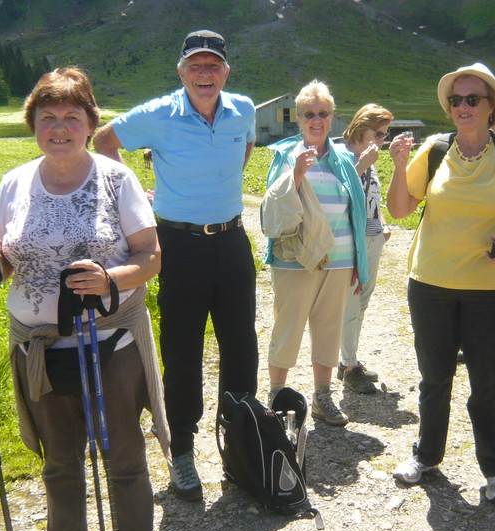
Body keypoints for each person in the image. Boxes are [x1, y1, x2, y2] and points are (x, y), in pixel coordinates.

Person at [0, 67, 166, 531]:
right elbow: (2, 260)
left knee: (124, 462)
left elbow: (150, 256)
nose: (58, 127)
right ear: (33, 124)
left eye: (71, 116)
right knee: (59, 463)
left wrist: (109, 279)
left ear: (89, 123)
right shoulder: (14, 183)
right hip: (39, 348)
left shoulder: (116, 178)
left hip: (110, 343)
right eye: (47, 117)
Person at [92, 29, 258, 502]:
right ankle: (182, 449)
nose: (205, 74)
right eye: (196, 66)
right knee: (182, 349)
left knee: (241, 344)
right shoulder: (159, 113)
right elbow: (105, 140)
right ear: (181, 71)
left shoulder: (242, 109)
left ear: (226, 71)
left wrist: (223, 175)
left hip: (231, 241)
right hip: (178, 245)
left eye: (213, 66)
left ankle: (241, 439)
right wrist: (132, 196)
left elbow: (245, 146)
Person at [386, 63, 495, 501]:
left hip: (492, 290)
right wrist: (399, 165)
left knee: (488, 382)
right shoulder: (434, 150)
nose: (463, 106)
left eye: (473, 98)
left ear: (492, 105)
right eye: (456, 100)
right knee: (434, 377)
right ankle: (426, 455)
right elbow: (400, 209)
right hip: (431, 284)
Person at [261, 80, 368, 426]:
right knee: (287, 328)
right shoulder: (285, 155)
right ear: (299, 118)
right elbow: (272, 211)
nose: (317, 120)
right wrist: (295, 174)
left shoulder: (344, 161)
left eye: (323, 113)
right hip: (295, 261)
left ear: (333, 117)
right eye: (310, 114)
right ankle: (277, 396)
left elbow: (356, 213)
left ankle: (323, 397)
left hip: (339, 260)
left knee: (328, 330)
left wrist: (358, 263)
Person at [336, 103, 394, 394]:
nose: (382, 140)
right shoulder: (342, 155)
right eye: (378, 133)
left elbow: (373, 196)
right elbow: (337, 195)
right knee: (350, 304)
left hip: (372, 239)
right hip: (350, 241)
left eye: (385, 135)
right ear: (361, 128)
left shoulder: (368, 158)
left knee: (362, 303)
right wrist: (361, 164)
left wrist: (382, 224)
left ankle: (348, 359)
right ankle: (348, 368)